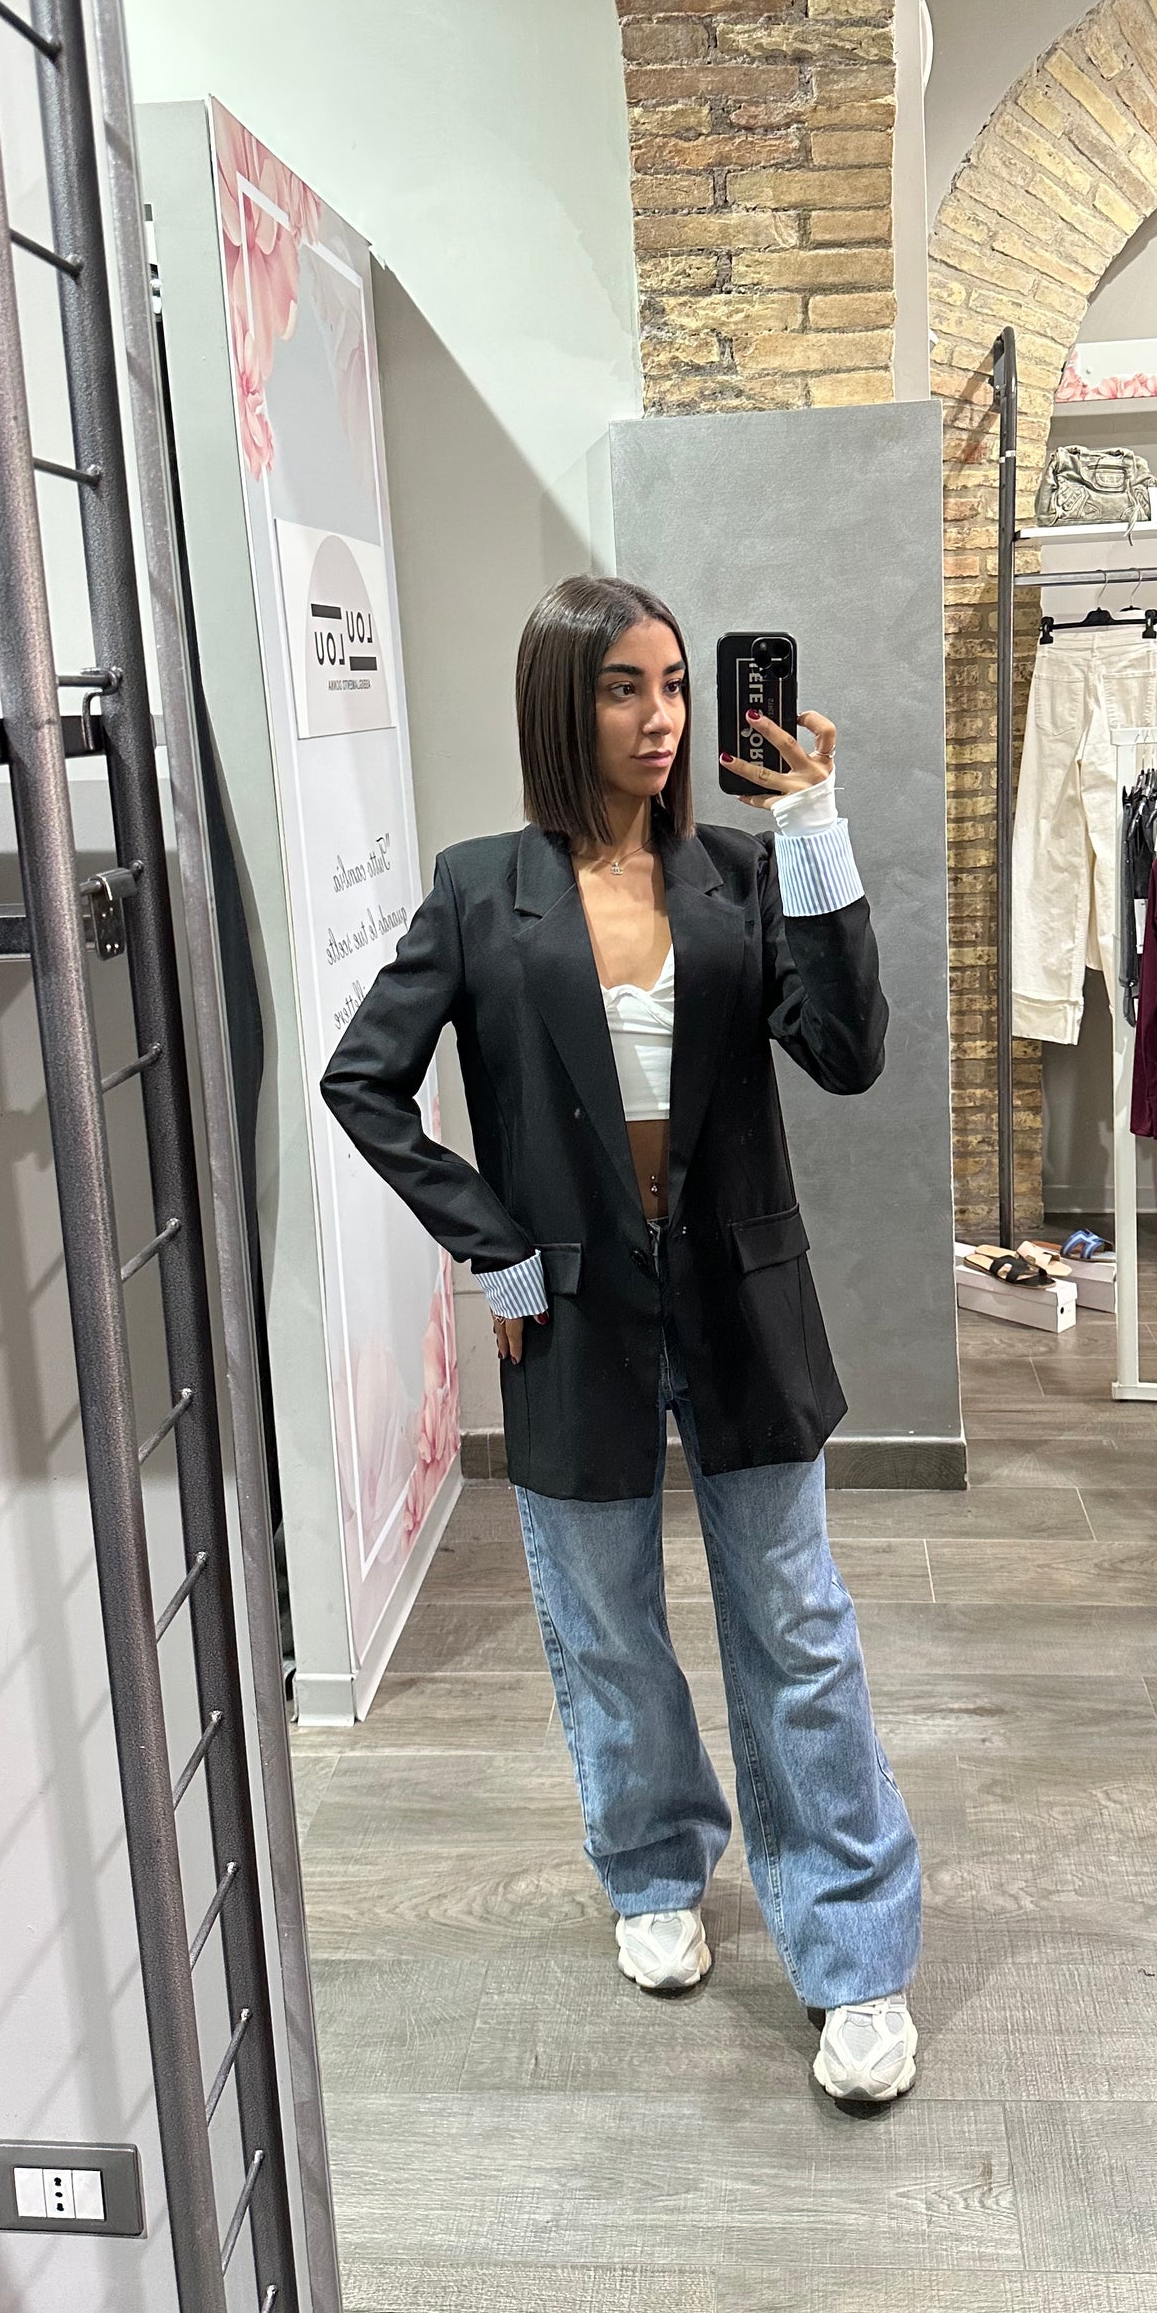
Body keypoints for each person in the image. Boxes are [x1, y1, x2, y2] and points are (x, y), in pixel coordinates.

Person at [320, 574, 922, 2106]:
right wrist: (493, 1248)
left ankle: (853, 1950)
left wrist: (813, 826)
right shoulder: (481, 890)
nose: (660, 717)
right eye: (621, 688)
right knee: (603, 1626)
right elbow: (362, 1083)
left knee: (795, 1630)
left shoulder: (740, 872)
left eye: (672, 684)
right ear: (559, 704)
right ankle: (652, 1866)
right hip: (571, 1315)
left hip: (742, 1302)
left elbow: (847, 1052)